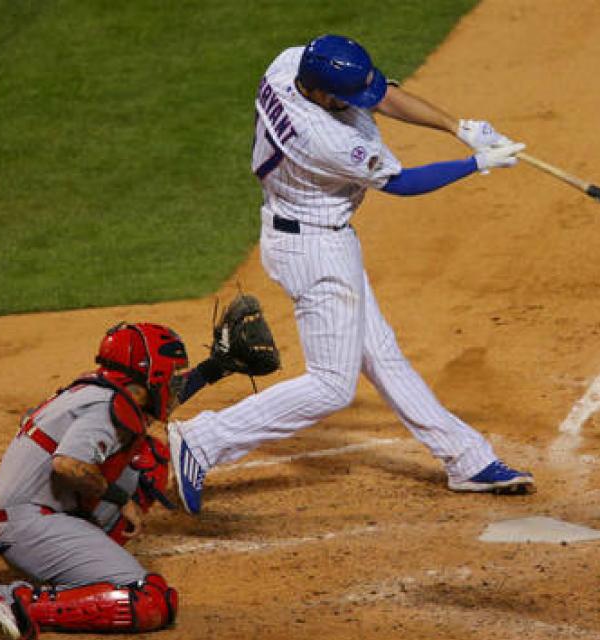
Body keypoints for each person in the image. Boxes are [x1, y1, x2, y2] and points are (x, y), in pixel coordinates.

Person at [169, 34, 533, 516]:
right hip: (314, 249)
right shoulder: (326, 139)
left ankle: (466, 458)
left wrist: (458, 126)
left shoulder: (291, 65)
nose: (358, 102)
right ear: (320, 95)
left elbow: (379, 93)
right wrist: (476, 163)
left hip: (313, 233)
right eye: (344, 98)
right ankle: (202, 439)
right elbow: (402, 184)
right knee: (331, 385)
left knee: (380, 353)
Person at [0, 321, 238, 640]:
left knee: (146, 458)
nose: (174, 381)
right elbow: (68, 465)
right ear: (152, 373)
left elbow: (154, 407)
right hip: (30, 527)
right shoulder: (104, 407)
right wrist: (120, 498)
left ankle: (84, 560)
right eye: (171, 374)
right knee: (148, 600)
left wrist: (212, 369)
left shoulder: (100, 390)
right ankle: (18, 603)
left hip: (30, 514)